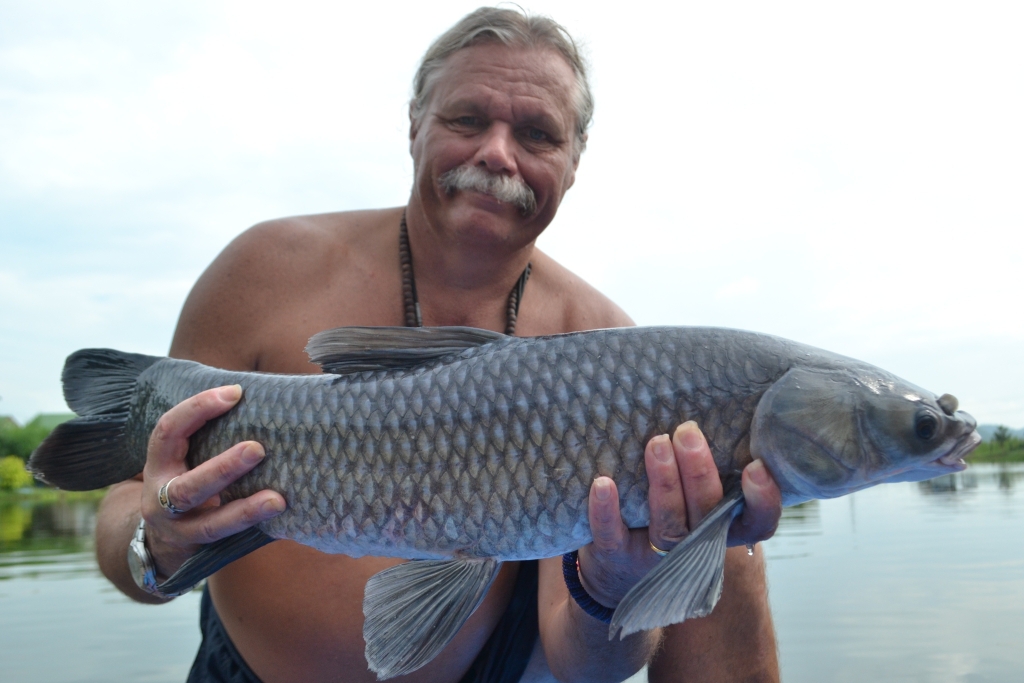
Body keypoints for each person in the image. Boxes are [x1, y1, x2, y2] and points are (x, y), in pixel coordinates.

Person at [95, 8, 782, 683]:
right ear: (414, 124)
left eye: (538, 133)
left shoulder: (602, 346)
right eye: (467, 119)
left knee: (732, 544)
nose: (497, 153)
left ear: (573, 163)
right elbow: (126, 513)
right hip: (238, 670)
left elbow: (583, 662)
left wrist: (613, 584)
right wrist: (156, 540)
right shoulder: (260, 270)